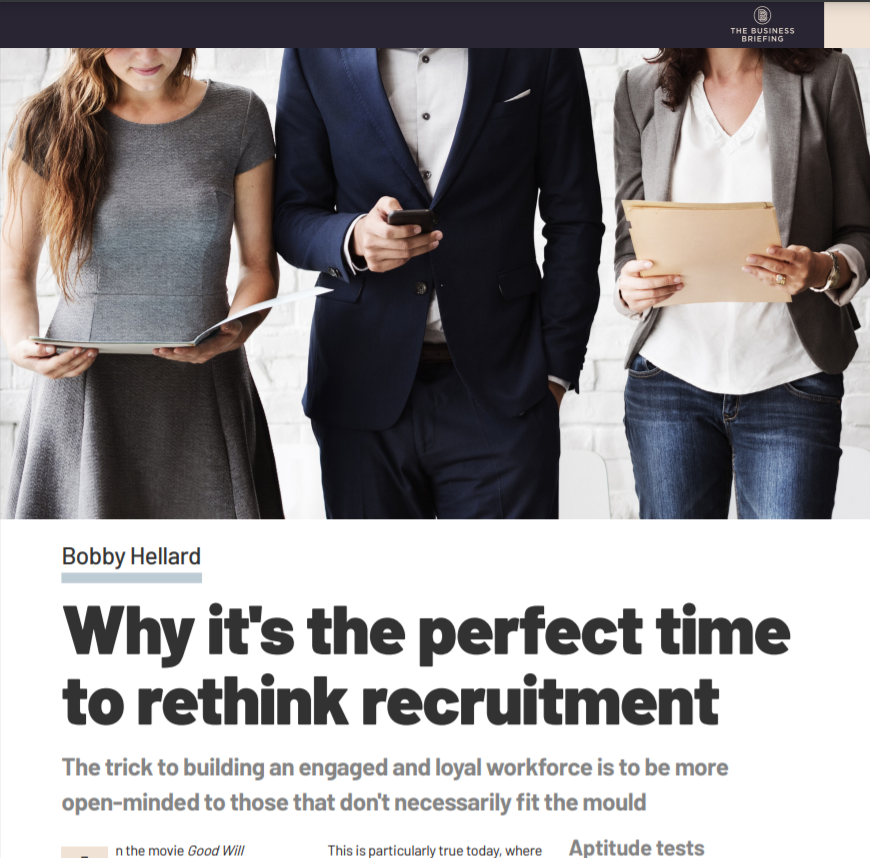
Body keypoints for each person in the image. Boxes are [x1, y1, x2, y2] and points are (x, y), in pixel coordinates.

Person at [274, 48, 603, 519]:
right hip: (360, 388)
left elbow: (575, 218)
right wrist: (352, 238)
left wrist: (554, 373)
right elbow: (291, 213)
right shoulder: (314, 47)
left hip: (504, 392)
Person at [2, 47, 284, 519]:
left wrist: (237, 329)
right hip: (84, 391)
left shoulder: (240, 115)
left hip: (202, 388)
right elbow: (14, 270)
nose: (148, 54)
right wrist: (18, 345)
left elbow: (259, 268)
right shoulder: (46, 119)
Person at [614, 48, 870, 519]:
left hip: (790, 381)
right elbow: (630, 240)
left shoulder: (826, 77)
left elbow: (859, 230)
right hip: (669, 382)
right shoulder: (639, 88)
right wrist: (628, 288)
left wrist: (819, 268)